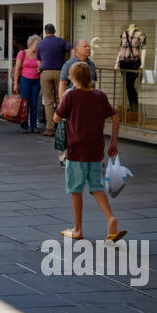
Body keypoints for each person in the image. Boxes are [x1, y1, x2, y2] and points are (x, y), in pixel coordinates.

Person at [54, 61, 124, 242]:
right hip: (95, 149)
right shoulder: (99, 96)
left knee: (75, 189)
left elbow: (56, 118)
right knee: (96, 187)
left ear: (74, 78)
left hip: (76, 150)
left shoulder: (70, 96)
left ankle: (78, 229)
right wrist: (113, 142)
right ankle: (110, 218)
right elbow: (115, 117)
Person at [35, 24, 71, 136]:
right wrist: (69, 63)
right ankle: (63, 127)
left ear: (45, 32)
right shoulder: (61, 41)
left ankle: (50, 129)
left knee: (49, 102)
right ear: (54, 31)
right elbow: (72, 49)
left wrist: (40, 68)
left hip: (45, 73)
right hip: (60, 72)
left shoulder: (40, 44)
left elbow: (39, 61)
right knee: (60, 100)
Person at [13, 33, 42, 134]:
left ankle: (34, 126)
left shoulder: (40, 55)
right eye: (37, 43)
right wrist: (15, 84)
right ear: (30, 44)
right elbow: (17, 69)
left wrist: (40, 66)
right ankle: (24, 124)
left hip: (36, 81)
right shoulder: (22, 53)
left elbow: (42, 67)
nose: (39, 45)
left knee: (34, 104)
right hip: (25, 80)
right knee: (25, 103)